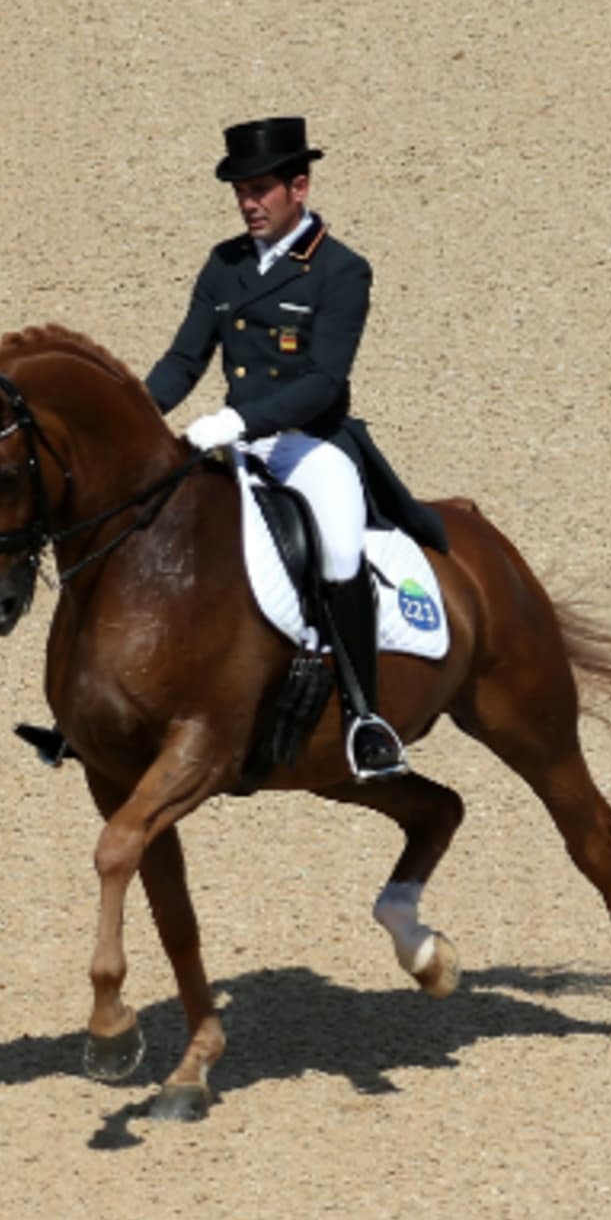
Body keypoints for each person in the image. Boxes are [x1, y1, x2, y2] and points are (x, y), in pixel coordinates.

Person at [145, 116, 408, 779]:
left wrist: (238, 422)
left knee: (341, 549)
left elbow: (323, 381)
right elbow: (183, 360)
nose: (248, 204)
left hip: (307, 445)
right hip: (235, 449)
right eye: (240, 191)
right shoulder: (224, 263)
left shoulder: (341, 270)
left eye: (261, 190)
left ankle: (364, 719)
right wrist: (138, 417)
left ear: (299, 185)